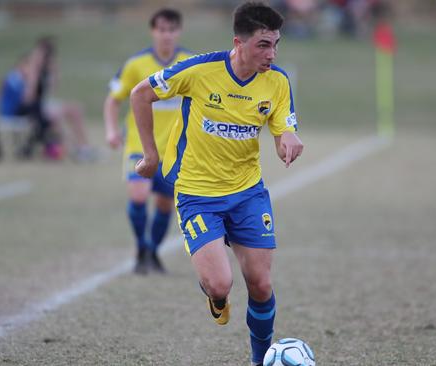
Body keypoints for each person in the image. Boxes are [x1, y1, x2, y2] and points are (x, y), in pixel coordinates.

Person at [130, 2, 304, 364]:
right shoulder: (200, 70)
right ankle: (215, 294)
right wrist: (150, 155)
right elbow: (140, 94)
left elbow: (283, 126)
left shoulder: (278, 81)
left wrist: (287, 137)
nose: (271, 54)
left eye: (275, 44)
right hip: (198, 194)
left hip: (247, 193)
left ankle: (259, 360)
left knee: (260, 284)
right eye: (263, 45)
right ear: (238, 42)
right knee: (220, 284)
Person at [103, 9, 192, 274]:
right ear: (153, 31)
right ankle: (142, 246)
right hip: (138, 147)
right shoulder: (136, 64)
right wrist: (110, 130)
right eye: (162, 29)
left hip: (174, 151)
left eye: (172, 29)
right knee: (139, 196)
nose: (167, 35)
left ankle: (152, 251)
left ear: (179, 31)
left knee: (165, 204)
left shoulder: (190, 63)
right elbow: (113, 100)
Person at [23, 36, 95, 161]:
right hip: (34, 107)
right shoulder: (31, 68)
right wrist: (34, 69)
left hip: (46, 104)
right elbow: (29, 95)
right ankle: (72, 150)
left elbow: (54, 88)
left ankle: (84, 148)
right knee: (57, 116)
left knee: (76, 109)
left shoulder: (46, 69)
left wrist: (53, 69)